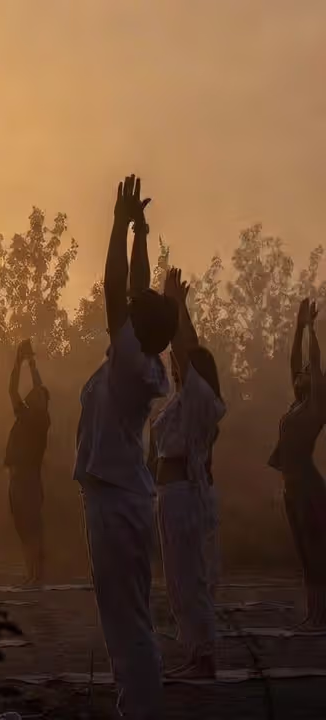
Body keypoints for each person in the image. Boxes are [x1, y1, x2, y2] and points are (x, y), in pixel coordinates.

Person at [75, 175, 175, 719]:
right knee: (128, 614)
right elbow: (134, 292)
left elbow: (117, 289)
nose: (134, 306)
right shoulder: (142, 358)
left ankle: (140, 709)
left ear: (141, 328)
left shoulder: (132, 360)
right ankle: (137, 705)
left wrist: (116, 225)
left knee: (126, 619)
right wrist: (140, 232)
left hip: (115, 501)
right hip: (119, 496)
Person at [153, 267, 225, 679]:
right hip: (174, 495)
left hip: (185, 495)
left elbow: (186, 351)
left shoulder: (202, 401)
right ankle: (197, 653)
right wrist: (182, 308)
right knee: (179, 578)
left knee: (190, 577)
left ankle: (204, 656)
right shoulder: (185, 399)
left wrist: (175, 307)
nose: (174, 367)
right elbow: (187, 352)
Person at [270, 297, 326, 629]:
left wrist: (312, 330)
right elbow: (295, 362)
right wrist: (297, 327)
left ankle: (321, 614)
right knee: (304, 552)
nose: (301, 373)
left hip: (308, 487)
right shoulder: (298, 404)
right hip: (291, 488)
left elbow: (314, 365)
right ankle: (314, 613)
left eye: (306, 373)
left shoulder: (316, 407)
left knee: (316, 552)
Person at [6, 339, 50, 588]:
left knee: (32, 524)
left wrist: (30, 363)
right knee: (22, 526)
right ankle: (30, 571)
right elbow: (12, 389)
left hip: (29, 478)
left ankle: (37, 573)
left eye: (40, 396)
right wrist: (18, 360)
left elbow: (38, 387)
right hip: (16, 478)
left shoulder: (41, 420)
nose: (35, 396)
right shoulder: (25, 415)